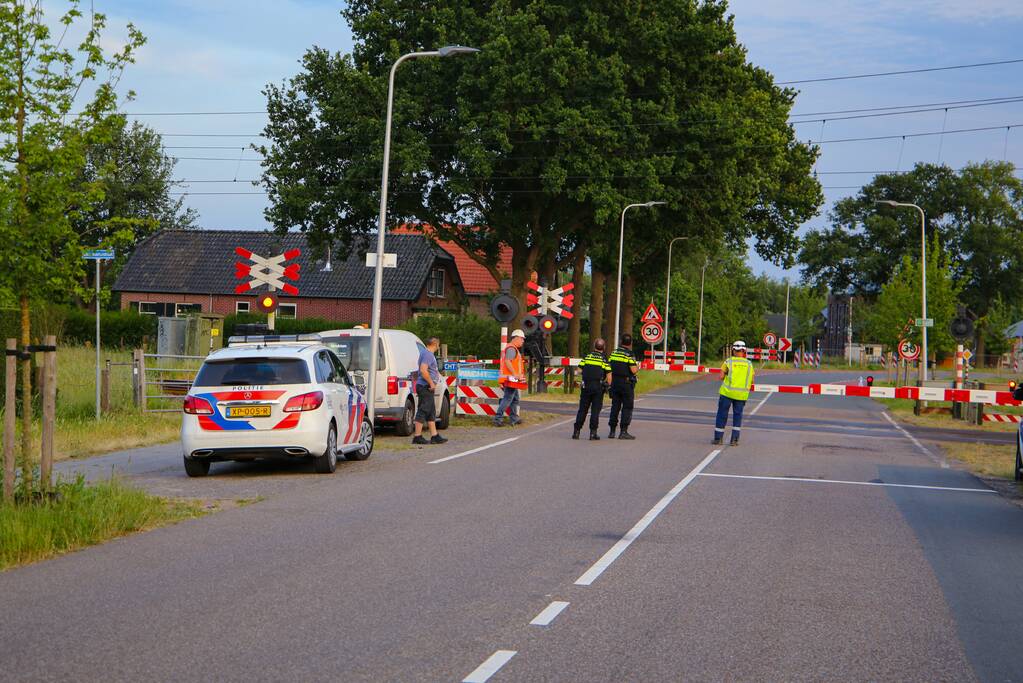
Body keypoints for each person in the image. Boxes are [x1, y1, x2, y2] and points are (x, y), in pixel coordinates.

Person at [713, 340, 755, 446]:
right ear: (744, 351)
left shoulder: (728, 362)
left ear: (733, 350)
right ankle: (734, 440)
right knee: (737, 416)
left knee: (722, 415)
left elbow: (721, 376)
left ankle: (718, 439)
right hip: (741, 396)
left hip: (727, 393)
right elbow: (752, 380)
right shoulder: (749, 364)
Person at [412, 337, 448, 445]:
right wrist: (431, 383)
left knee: (431, 411)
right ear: (435, 344)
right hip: (425, 386)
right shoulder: (428, 354)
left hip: (426, 386)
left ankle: (434, 435)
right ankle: (417, 436)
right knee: (423, 409)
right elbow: (423, 370)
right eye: (438, 344)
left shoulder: (425, 353)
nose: (438, 347)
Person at [573, 338, 611, 441]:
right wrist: (608, 386)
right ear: (604, 347)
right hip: (598, 387)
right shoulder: (604, 360)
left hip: (586, 387)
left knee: (582, 410)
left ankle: (576, 432)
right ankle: (593, 433)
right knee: (595, 411)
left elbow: (579, 370)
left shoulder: (587, 357)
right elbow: (609, 376)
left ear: (594, 346)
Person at [608, 333, 639, 440]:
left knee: (615, 406)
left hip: (614, 383)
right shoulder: (629, 354)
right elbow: (634, 370)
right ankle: (623, 431)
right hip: (626, 384)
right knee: (627, 407)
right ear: (630, 343)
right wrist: (637, 366)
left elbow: (609, 366)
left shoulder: (614, 353)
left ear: (621, 341)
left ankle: (612, 431)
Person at [495, 329, 527, 427]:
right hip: (510, 379)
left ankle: (514, 418)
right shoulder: (511, 349)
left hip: (511, 379)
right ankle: (498, 418)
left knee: (515, 399)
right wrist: (515, 374)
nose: (523, 341)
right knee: (508, 399)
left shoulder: (511, 348)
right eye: (522, 339)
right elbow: (508, 361)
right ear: (516, 338)